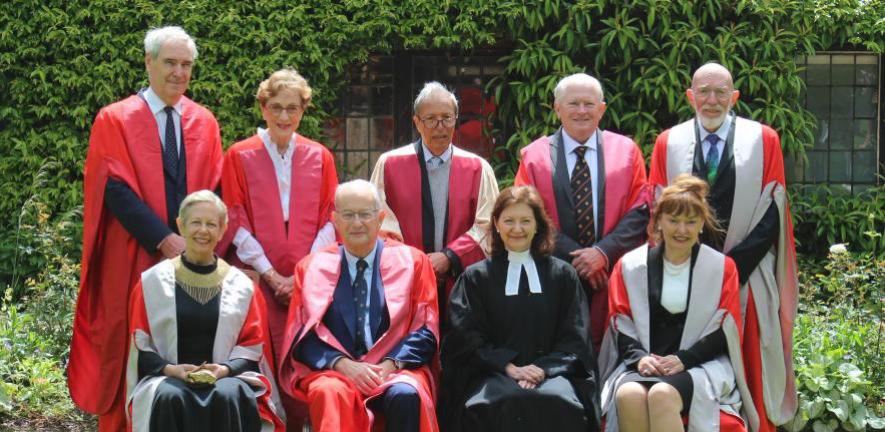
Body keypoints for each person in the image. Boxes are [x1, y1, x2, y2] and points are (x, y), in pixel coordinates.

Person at [68, 26, 223, 431]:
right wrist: (164, 239)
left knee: (190, 344)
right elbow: (115, 190)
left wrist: (194, 243)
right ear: (148, 63)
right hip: (134, 252)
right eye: (170, 62)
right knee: (132, 344)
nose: (178, 72)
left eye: (186, 65)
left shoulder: (204, 122)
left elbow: (212, 189)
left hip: (191, 261)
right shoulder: (116, 118)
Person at [648, 62, 798, 431]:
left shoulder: (764, 140)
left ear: (734, 97)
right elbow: (658, 212)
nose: (712, 101)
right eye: (704, 92)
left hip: (747, 274)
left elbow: (772, 214)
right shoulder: (669, 143)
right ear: (690, 96)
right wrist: (692, 267)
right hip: (686, 272)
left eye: (720, 93)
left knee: (750, 358)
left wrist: (730, 270)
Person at [217, 68, 338, 429]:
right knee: (262, 358)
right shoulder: (240, 155)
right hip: (258, 279)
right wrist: (272, 275)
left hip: (309, 282)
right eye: (276, 107)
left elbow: (330, 219)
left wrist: (302, 272)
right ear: (263, 108)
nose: (284, 116)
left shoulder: (320, 156)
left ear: (303, 110)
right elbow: (234, 217)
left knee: (306, 356)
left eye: (292, 108)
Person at [278, 180, 440, 432]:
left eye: (365, 214)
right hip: (337, 371)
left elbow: (426, 330)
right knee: (328, 391)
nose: (356, 223)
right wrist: (342, 364)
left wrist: (389, 366)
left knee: (407, 393)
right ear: (335, 219)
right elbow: (302, 335)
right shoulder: (311, 267)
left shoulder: (414, 262)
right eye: (348, 215)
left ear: (380, 218)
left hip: (395, 369)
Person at [597, 174, 756, 432]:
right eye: (673, 221)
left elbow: (725, 329)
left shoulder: (721, 269)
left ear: (701, 224)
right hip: (645, 361)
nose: (681, 230)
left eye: (690, 222)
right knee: (628, 395)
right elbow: (620, 323)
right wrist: (639, 358)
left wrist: (685, 359)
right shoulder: (631, 266)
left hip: (700, 364)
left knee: (662, 394)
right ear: (658, 221)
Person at [439, 185, 600, 432]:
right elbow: (465, 339)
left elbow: (575, 338)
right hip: (492, 375)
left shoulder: (563, 275)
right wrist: (509, 368)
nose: (517, 229)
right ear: (496, 224)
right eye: (509, 221)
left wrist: (542, 369)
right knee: (492, 403)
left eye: (526, 221)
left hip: (553, 375)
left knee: (560, 401)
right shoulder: (475, 278)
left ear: (538, 225)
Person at [125, 191, 284, 431]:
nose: (203, 230)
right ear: (181, 226)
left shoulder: (242, 287)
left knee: (229, 393)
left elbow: (252, 349)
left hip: (226, 378)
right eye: (195, 222)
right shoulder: (151, 283)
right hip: (168, 377)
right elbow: (141, 349)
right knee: (170, 396)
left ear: (222, 230)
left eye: (212, 224)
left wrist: (224, 370)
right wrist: (172, 370)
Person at [514, 73, 649, 350]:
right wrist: (582, 260)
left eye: (589, 104)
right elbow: (526, 216)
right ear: (557, 108)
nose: (581, 111)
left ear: (602, 109)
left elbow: (640, 211)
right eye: (573, 103)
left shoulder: (627, 152)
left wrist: (602, 253)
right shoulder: (534, 156)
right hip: (555, 275)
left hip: (612, 275)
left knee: (613, 352)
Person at [369, 81, 498, 330]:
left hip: (461, 281)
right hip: (405, 281)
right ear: (417, 122)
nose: (440, 127)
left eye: (446, 118)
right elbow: (378, 222)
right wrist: (417, 261)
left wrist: (449, 257)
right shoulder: (390, 164)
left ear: (456, 119)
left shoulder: (477, 168)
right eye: (431, 119)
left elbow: (489, 225)